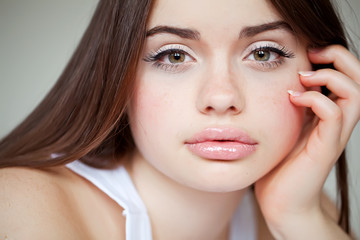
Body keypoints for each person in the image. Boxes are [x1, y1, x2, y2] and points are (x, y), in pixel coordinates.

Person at [0, 0, 359, 239]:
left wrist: (299, 219)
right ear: (116, 76)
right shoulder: (19, 208)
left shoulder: (303, 210)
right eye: (173, 56)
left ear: (320, 74)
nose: (221, 97)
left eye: (263, 53)